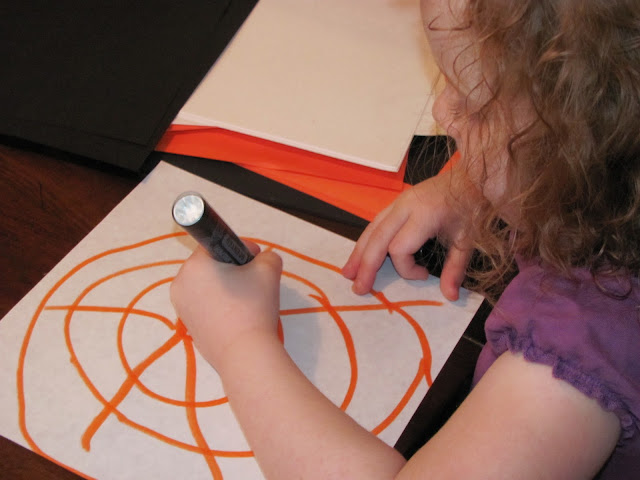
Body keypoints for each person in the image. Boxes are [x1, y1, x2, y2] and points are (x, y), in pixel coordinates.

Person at [170, 0, 640, 477]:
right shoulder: (610, 186)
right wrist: (474, 184)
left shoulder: (578, 356)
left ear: (584, 142)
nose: (442, 112)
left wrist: (240, 342)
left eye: (475, 108)